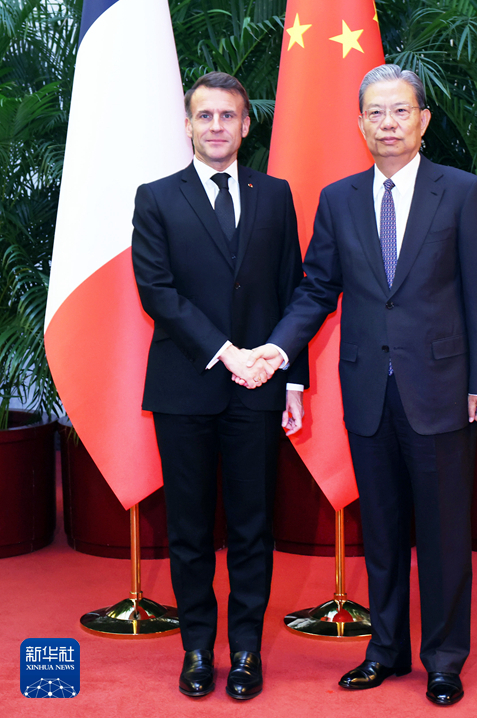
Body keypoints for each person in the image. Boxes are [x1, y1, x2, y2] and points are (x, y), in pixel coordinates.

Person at [245, 65, 477, 706]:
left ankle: (443, 659)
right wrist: (278, 347)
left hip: (442, 389)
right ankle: (384, 650)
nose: (389, 124)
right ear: (360, 124)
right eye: (376, 114)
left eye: (400, 111)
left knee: (443, 534)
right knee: (382, 532)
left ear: (423, 120)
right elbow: (316, 290)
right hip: (367, 390)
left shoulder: (461, 191)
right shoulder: (338, 199)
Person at [131, 71, 308, 701]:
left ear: (245, 125)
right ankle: (198, 650)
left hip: (259, 386)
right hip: (185, 386)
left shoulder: (275, 194)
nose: (216, 126)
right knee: (189, 529)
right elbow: (157, 292)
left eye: (228, 116)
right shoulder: (156, 198)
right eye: (205, 116)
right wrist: (225, 351)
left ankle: (247, 651)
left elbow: (293, 289)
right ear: (187, 125)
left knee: (253, 527)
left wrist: (292, 381)